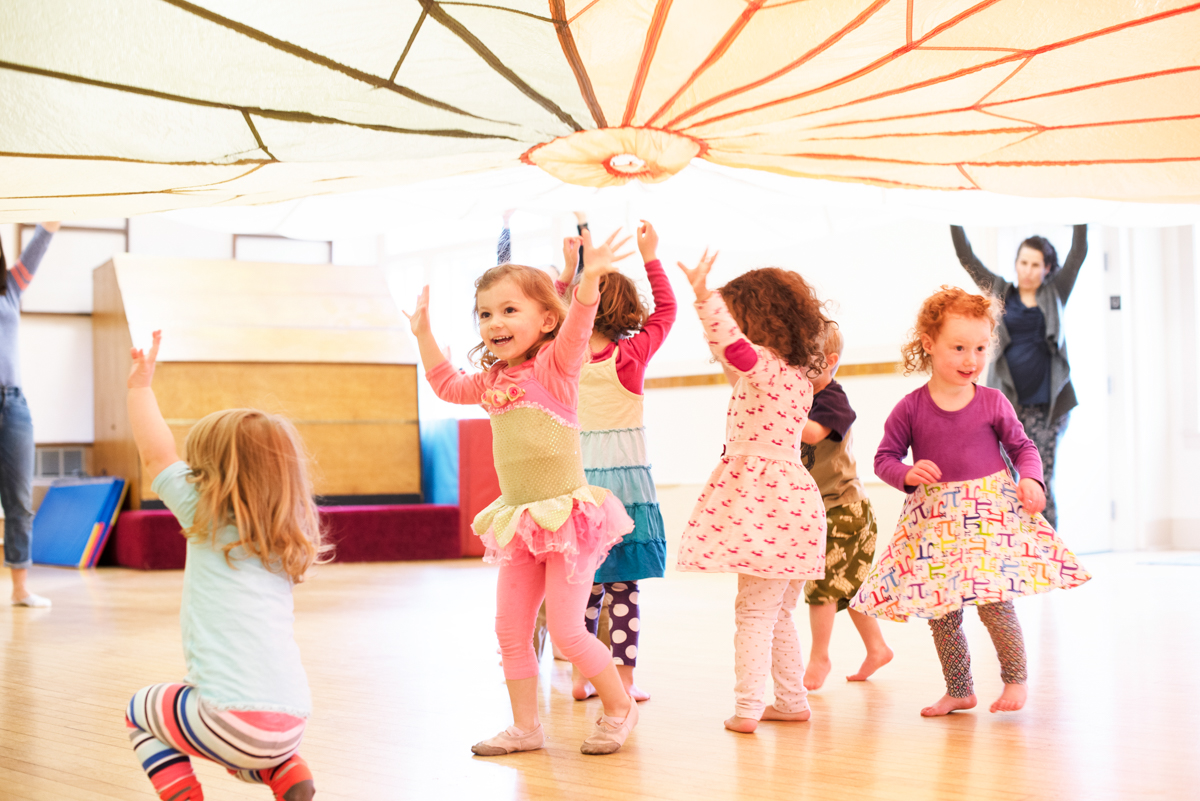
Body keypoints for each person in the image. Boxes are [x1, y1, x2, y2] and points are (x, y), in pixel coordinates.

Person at [406, 230, 639, 756]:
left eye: (509, 310)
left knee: (568, 631)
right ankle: (525, 727)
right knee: (510, 632)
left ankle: (619, 708)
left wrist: (589, 281)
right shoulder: (490, 382)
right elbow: (445, 385)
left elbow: (579, 325)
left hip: (569, 520)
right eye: (485, 314)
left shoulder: (557, 367)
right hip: (522, 523)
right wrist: (422, 333)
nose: (494, 323)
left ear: (546, 320)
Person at [852, 287, 1091, 717]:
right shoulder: (910, 408)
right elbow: (884, 459)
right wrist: (906, 473)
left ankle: (1015, 679)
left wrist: (1031, 478)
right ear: (929, 344)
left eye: (980, 348)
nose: (971, 360)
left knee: (995, 602)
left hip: (987, 517)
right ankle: (959, 689)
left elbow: (1023, 448)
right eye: (959, 348)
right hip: (936, 523)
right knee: (942, 612)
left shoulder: (992, 402)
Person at [124, 331, 324, 801]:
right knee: (242, 756)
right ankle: (288, 774)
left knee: (140, 712)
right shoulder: (287, 533)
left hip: (229, 719)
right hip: (291, 725)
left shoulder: (204, 511)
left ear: (209, 474)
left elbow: (156, 454)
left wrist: (140, 387)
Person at [675, 254, 831, 734]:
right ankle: (791, 701)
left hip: (771, 503)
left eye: (736, 316)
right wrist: (708, 309)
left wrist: (704, 298)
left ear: (758, 320)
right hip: (796, 504)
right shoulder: (796, 378)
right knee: (778, 612)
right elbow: (728, 351)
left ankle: (747, 708)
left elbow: (734, 348)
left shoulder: (765, 367)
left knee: (755, 611)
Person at [555, 220, 675, 704]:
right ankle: (622, 679)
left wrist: (569, 274)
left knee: (583, 587)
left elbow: (551, 317)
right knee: (623, 590)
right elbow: (666, 311)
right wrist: (651, 257)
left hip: (579, 484)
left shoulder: (564, 356)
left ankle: (583, 677)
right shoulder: (631, 354)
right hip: (624, 490)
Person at [950, 224, 1088, 527]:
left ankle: (1048, 551)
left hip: (1048, 409)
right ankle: (1012, 547)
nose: (1027, 270)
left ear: (1047, 268)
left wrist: (1082, 208)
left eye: (1035, 264)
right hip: (1007, 408)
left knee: (1039, 481)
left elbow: (1078, 253)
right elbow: (967, 258)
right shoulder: (1001, 291)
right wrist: (953, 215)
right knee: (1004, 481)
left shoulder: (1055, 292)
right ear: (1016, 263)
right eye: (1023, 262)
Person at [798, 324, 892, 691]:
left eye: (804, 361)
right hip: (826, 509)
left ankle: (819, 656)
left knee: (821, 585)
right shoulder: (803, 396)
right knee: (849, 587)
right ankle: (877, 648)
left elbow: (812, 433)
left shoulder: (832, 399)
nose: (796, 369)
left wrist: (778, 409)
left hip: (845, 509)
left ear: (829, 362)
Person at [1, 221, 59, 607]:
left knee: (19, 500)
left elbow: (41, 241)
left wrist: (52, 218)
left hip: (12, 405)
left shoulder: (10, 287)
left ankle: (20, 588)